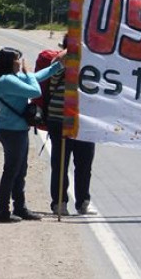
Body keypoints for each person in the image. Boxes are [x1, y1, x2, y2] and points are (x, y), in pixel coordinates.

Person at [0, 45, 65, 222]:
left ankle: (20, 207)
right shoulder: (6, 80)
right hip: (11, 131)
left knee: (20, 170)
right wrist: (28, 74)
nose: (20, 62)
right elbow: (35, 90)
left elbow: (38, 77)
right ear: (10, 62)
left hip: (18, 130)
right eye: (17, 59)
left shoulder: (13, 77)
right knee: (11, 170)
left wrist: (57, 65)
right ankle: (2, 210)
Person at [44, 35, 97, 216]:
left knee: (84, 165)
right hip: (59, 119)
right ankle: (59, 203)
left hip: (84, 122)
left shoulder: (91, 65)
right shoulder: (59, 61)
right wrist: (73, 48)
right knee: (60, 164)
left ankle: (83, 202)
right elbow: (60, 63)